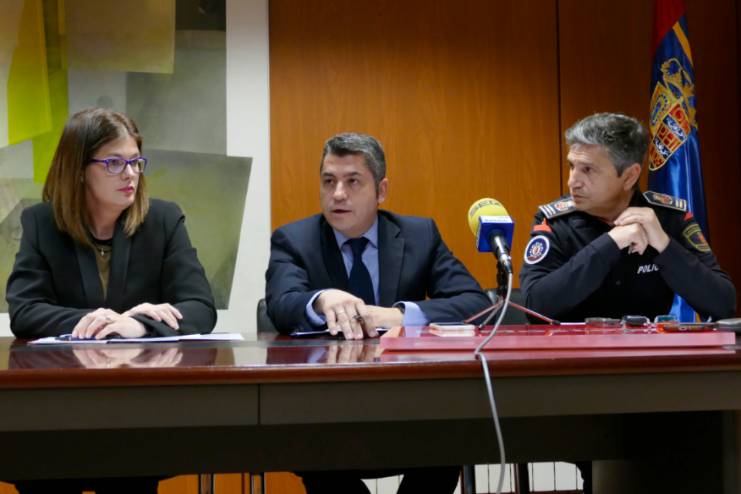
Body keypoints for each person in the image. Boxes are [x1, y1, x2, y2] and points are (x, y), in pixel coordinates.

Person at [519, 112, 737, 493]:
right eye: (572, 166)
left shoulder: (668, 217)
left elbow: (722, 302)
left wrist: (663, 245)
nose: (573, 180)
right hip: (577, 388)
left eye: (588, 169)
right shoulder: (556, 223)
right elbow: (536, 305)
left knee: (705, 441)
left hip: (652, 386)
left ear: (630, 175)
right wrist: (610, 244)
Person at [5, 107, 216, 493]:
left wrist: (137, 325)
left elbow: (200, 307)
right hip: (57, 411)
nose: (130, 174)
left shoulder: (163, 220)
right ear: (79, 169)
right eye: (114, 163)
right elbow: (24, 310)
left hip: (135, 409)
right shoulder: (42, 223)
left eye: (136, 161)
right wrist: (95, 320)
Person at [265, 132, 489, 493]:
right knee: (310, 445)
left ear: (381, 191)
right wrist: (320, 299)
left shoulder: (419, 235)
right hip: (326, 410)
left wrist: (399, 315)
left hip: (411, 404)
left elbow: (475, 302)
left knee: (452, 437)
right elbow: (280, 304)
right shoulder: (295, 240)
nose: (338, 194)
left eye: (353, 181)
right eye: (329, 181)